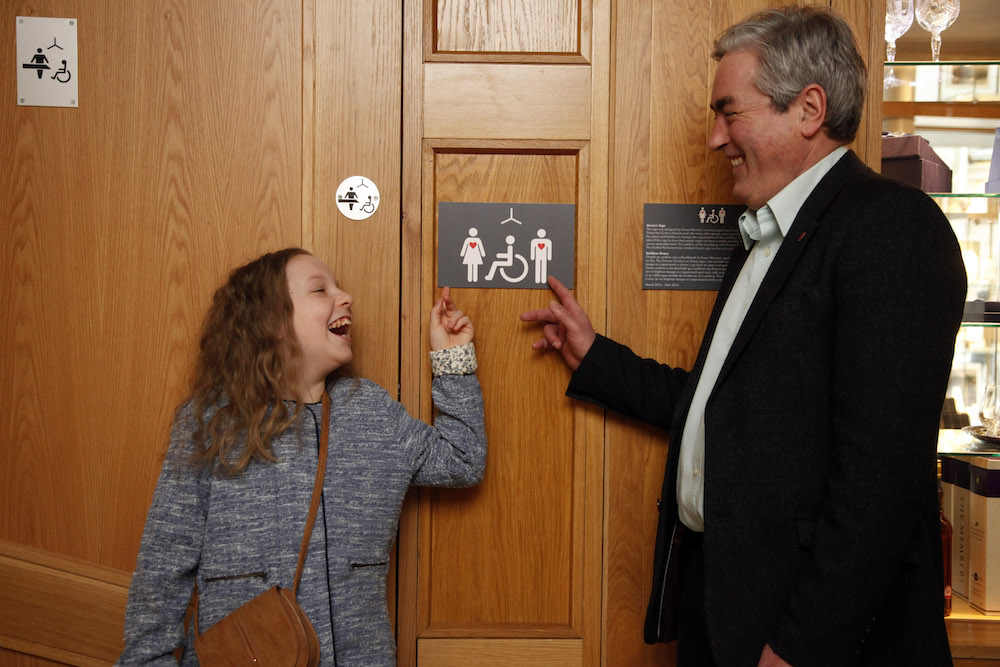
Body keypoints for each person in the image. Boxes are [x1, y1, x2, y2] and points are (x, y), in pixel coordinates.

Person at [521, 7, 965, 666]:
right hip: (726, 612)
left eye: (730, 113)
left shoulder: (891, 228)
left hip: (804, 639)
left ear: (808, 108)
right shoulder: (770, 233)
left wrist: (797, 646)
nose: (714, 138)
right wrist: (596, 356)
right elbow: (727, 409)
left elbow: (879, 482)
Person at [118, 248, 486, 665]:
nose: (345, 296)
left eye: (338, 286)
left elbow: (462, 459)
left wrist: (451, 357)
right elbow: (164, 566)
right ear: (271, 323)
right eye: (320, 289)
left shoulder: (372, 411)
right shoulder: (213, 422)